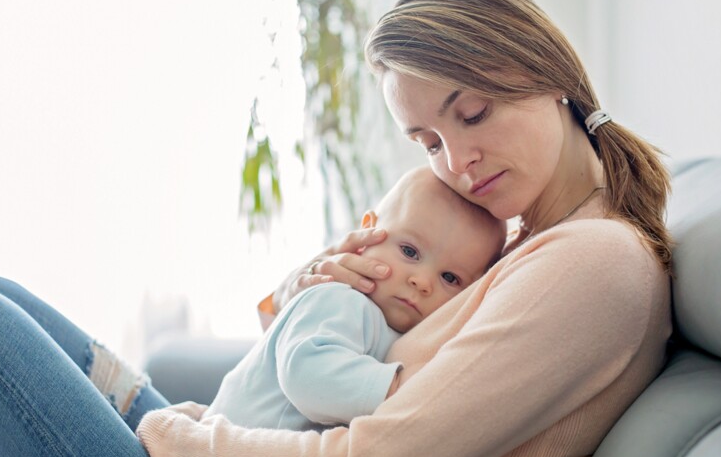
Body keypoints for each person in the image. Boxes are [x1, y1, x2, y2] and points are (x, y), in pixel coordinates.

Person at [0, 0, 673, 457]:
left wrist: (186, 440)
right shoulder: (525, 241)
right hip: (258, 439)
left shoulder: (594, 263)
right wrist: (303, 297)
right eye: (428, 141)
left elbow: (382, 455)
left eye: (473, 113)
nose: (457, 163)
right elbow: (351, 361)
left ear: (550, 75)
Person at [204, 166, 505, 430]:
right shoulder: (341, 298)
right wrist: (397, 387)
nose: (422, 281)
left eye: (450, 278)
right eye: (409, 252)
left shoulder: (412, 331)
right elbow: (305, 374)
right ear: (367, 231)